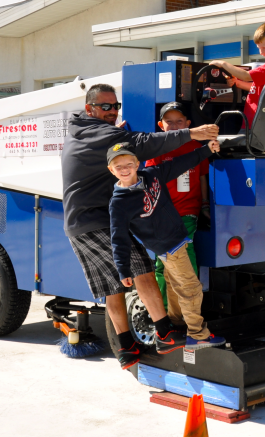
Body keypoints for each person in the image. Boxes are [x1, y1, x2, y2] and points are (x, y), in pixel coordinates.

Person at [62, 84, 219, 370]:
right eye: (105, 107)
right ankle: (164, 332)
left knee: (112, 287)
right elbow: (144, 142)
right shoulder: (102, 134)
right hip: (97, 220)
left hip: (77, 223)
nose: (112, 112)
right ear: (90, 109)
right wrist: (193, 134)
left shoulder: (81, 131)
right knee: (143, 270)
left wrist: (117, 133)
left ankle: (126, 348)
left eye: (116, 106)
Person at [107, 141, 226, 351]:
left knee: (175, 285)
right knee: (191, 288)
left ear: (137, 163)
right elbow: (119, 237)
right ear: (111, 170)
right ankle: (198, 334)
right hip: (168, 247)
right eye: (119, 166)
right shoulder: (119, 202)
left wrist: (207, 149)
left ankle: (178, 324)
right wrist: (123, 269)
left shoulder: (152, 175)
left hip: (177, 238)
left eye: (128, 164)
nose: (125, 170)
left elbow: (183, 162)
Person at [145, 102, 209, 311]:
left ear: (188, 124)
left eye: (179, 121)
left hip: (188, 212)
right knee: (162, 263)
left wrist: (205, 204)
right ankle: (163, 311)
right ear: (160, 125)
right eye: (169, 122)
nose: (174, 126)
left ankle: (188, 310)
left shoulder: (196, 147)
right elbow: (150, 181)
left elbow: (202, 177)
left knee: (185, 259)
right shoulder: (158, 148)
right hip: (164, 214)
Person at [208, 20, 265, 129]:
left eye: (264, 48)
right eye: (259, 48)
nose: (261, 52)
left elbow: (246, 75)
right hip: (253, 123)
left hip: (256, 125)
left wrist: (223, 64)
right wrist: (238, 83)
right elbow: (258, 87)